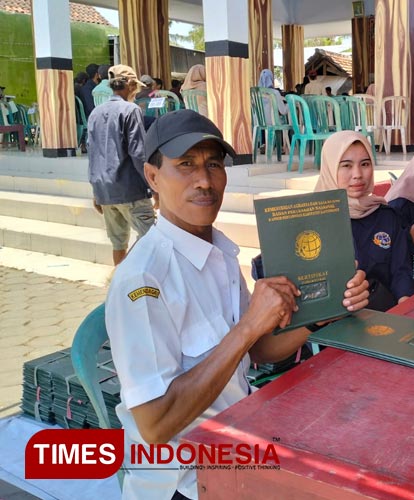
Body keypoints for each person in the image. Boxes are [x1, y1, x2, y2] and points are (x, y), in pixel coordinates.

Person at [105, 109, 369, 499]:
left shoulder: (219, 252)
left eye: (214, 164)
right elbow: (155, 426)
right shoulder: (144, 280)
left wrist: (324, 314)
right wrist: (248, 326)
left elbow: (256, 351)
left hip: (238, 449)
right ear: (153, 177)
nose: (204, 180)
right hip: (185, 484)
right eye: (186, 165)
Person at [315, 131, 414, 311]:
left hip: (383, 320)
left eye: (365, 164)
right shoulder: (313, 221)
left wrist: (404, 306)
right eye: (346, 165)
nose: (358, 174)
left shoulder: (387, 217)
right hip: (329, 326)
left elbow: (401, 270)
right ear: (330, 168)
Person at [87, 65, 155, 266]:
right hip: (130, 189)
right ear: (132, 85)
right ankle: (130, 277)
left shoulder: (95, 113)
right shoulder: (131, 110)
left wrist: (96, 192)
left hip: (104, 189)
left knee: (118, 244)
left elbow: (93, 156)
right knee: (152, 237)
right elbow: (138, 153)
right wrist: (154, 185)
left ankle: (118, 287)